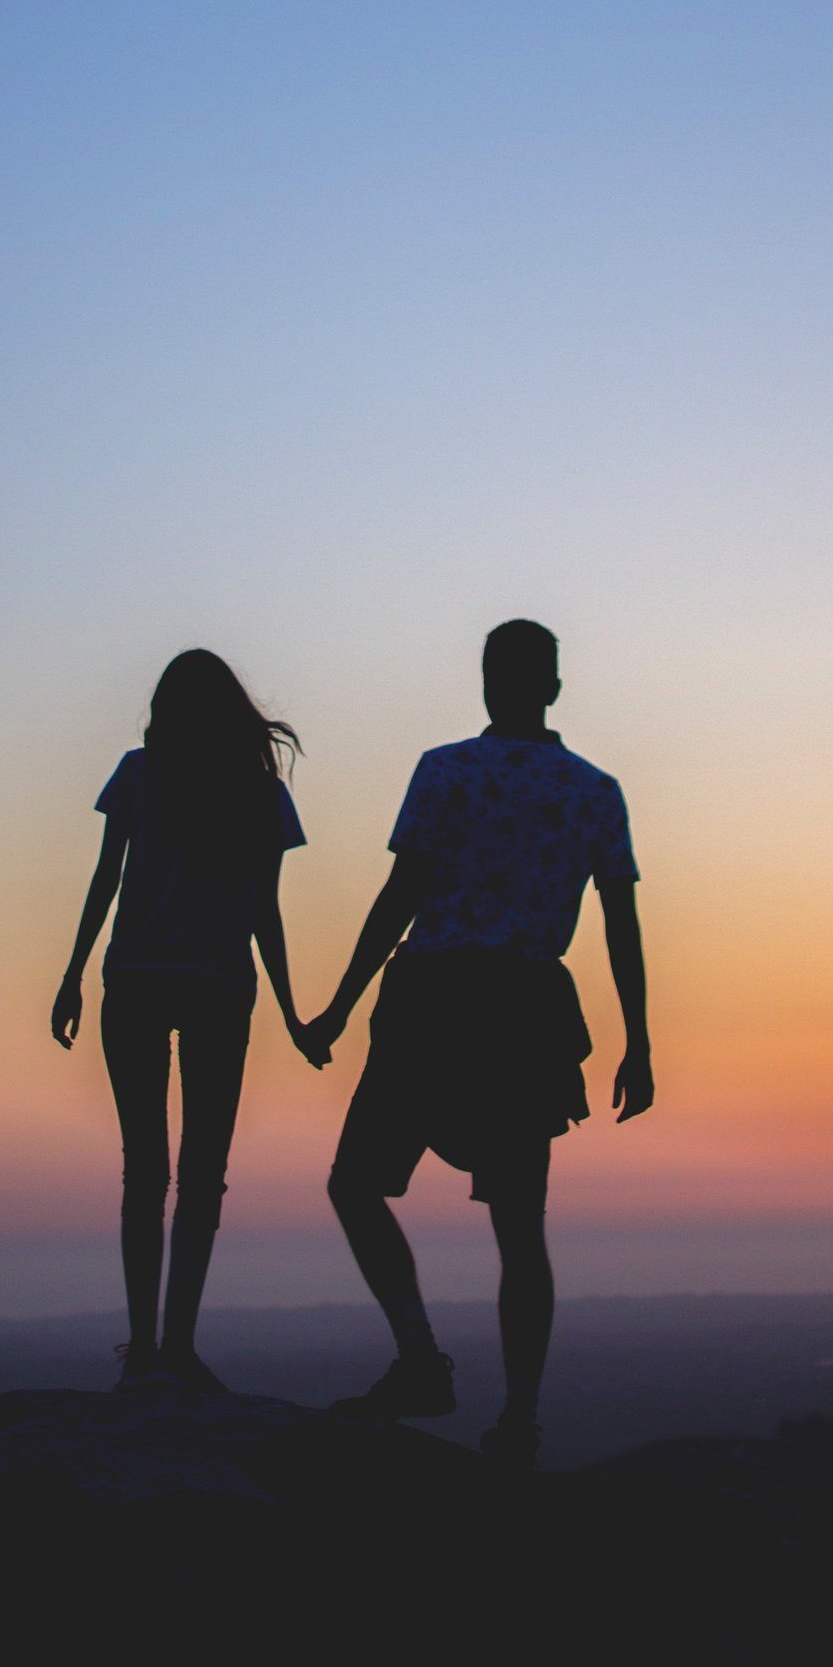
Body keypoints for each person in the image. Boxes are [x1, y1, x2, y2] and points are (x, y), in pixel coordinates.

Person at [306, 620, 652, 1468]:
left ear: (490, 684)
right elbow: (621, 926)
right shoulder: (593, 790)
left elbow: (402, 896)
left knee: (356, 1184)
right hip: (524, 1012)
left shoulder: (446, 770)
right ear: (555, 688)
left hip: (431, 999)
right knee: (519, 1226)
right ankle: (520, 1422)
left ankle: (421, 1360)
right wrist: (639, 1043)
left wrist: (341, 1006)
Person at [52, 650, 325, 1392]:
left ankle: (146, 1347)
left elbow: (106, 879)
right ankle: (174, 1346)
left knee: (146, 1171)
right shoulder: (259, 794)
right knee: (202, 1176)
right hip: (218, 988)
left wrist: (74, 974)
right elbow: (265, 913)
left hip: (135, 981)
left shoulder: (140, 773)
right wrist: (295, 1015)